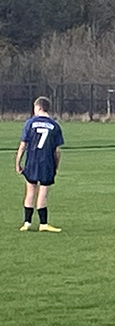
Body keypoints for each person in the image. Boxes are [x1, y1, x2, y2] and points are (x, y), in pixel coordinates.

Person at [16, 97, 64, 232]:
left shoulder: (29, 123)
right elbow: (57, 151)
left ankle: (27, 222)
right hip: (46, 162)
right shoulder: (54, 125)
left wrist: (18, 162)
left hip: (32, 161)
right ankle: (43, 224)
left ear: (38, 107)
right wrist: (56, 166)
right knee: (42, 193)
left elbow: (23, 145)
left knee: (30, 191)